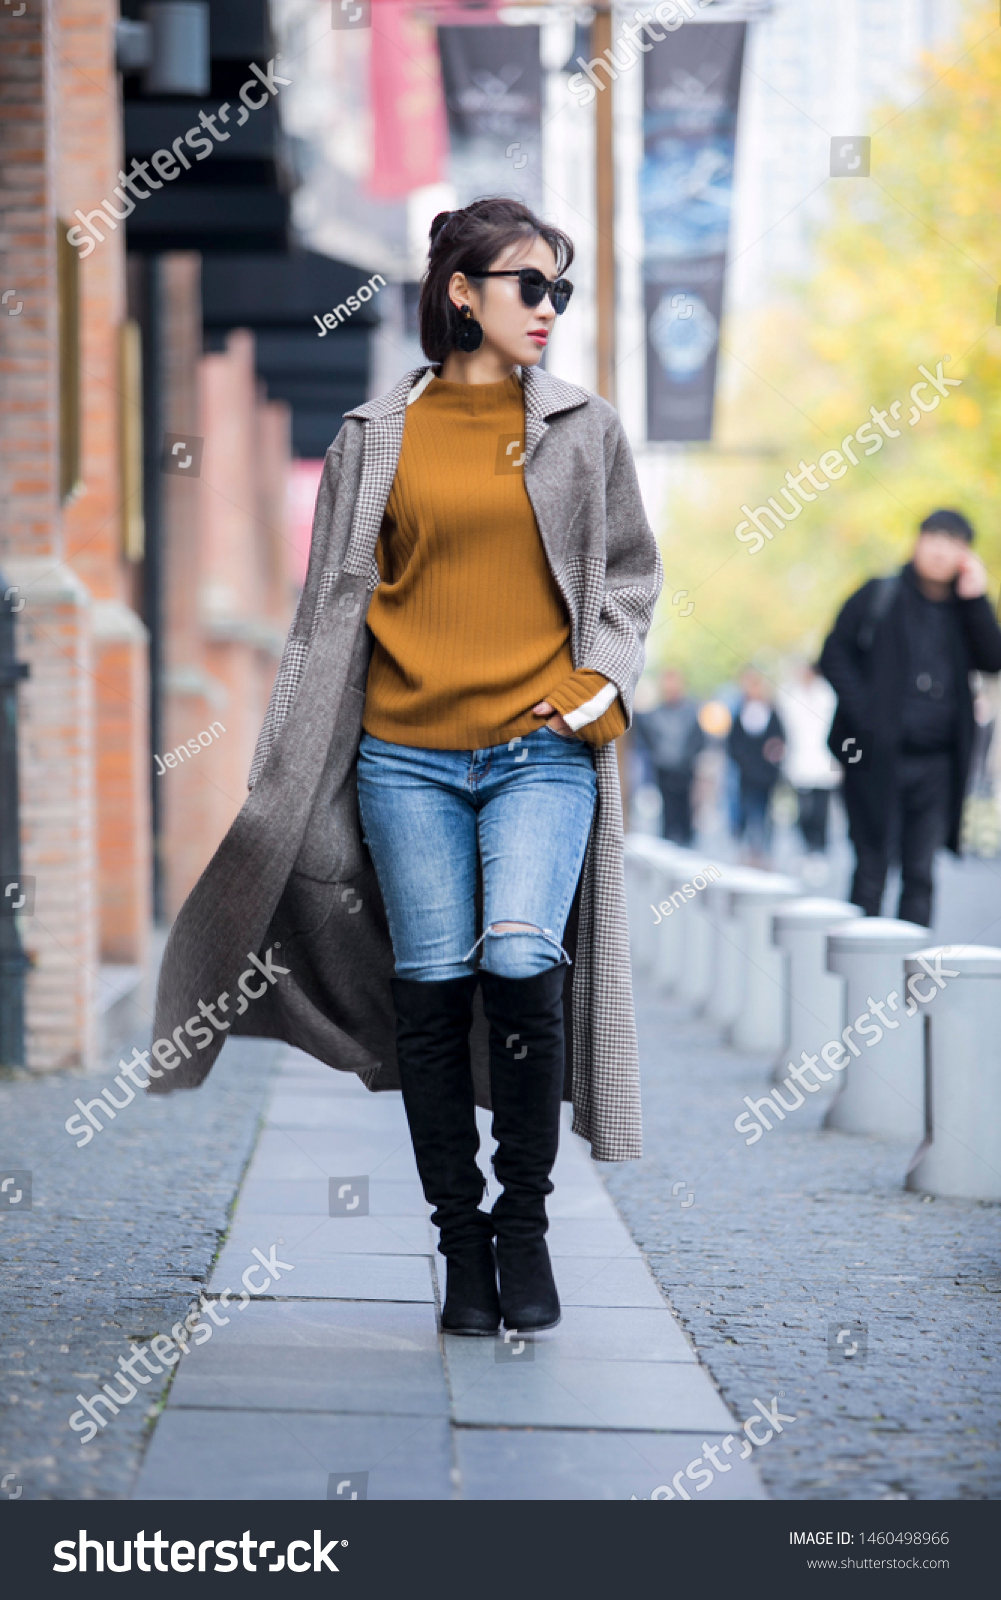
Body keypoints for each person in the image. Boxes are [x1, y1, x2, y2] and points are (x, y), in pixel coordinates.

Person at [149, 198, 662, 1341]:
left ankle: (521, 1220)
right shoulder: (371, 436)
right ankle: (460, 1242)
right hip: (406, 762)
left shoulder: (584, 429)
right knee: (429, 989)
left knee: (524, 961)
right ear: (461, 292)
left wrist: (602, 681)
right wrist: (290, 756)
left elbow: (628, 577)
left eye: (559, 291)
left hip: (540, 753)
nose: (547, 310)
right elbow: (327, 608)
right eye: (528, 285)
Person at [820, 509, 1001, 926]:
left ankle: (906, 984)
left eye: (953, 542)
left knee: (921, 873)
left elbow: (992, 660)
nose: (940, 550)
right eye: (933, 538)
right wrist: (867, 715)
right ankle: (861, 974)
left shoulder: (964, 610)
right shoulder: (878, 595)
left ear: (965, 554)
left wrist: (976, 599)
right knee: (872, 865)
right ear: (917, 542)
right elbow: (833, 655)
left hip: (937, 764)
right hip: (875, 758)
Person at [776, 660, 840, 882]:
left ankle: (819, 851)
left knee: (820, 813)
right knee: (803, 812)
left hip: (824, 762)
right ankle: (806, 849)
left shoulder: (828, 694)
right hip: (799, 763)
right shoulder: (790, 695)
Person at [634, 668, 705, 844]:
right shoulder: (655, 714)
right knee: (667, 814)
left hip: (685, 770)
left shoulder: (690, 712)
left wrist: (689, 758)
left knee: (685, 813)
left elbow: (698, 739)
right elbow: (647, 738)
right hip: (664, 770)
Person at [726, 668, 785, 866]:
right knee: (748, 811)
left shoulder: (772, 713)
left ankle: (764, 853)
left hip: (767, 776)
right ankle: (750, 851)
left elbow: (779, 741)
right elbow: (733, 745)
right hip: (747, 775)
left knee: (765, 814)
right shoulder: (740, 714)